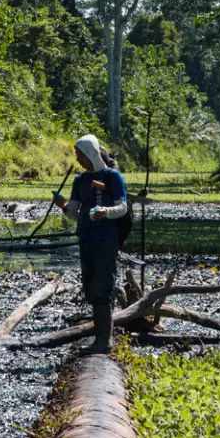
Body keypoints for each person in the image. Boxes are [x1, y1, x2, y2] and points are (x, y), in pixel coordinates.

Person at [53, 134, 129, 353]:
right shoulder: (80, 181)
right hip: (86, 239)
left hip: (106, 239)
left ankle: (104, 341)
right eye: (77, 156)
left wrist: (104, 212)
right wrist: (63, 205)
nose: (79, 160)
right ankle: (100, 339)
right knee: (89, 286)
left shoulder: (112, 177)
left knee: (102, 286)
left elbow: (122, 207)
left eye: (81, 155)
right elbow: (75, 213)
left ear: (91, 154)